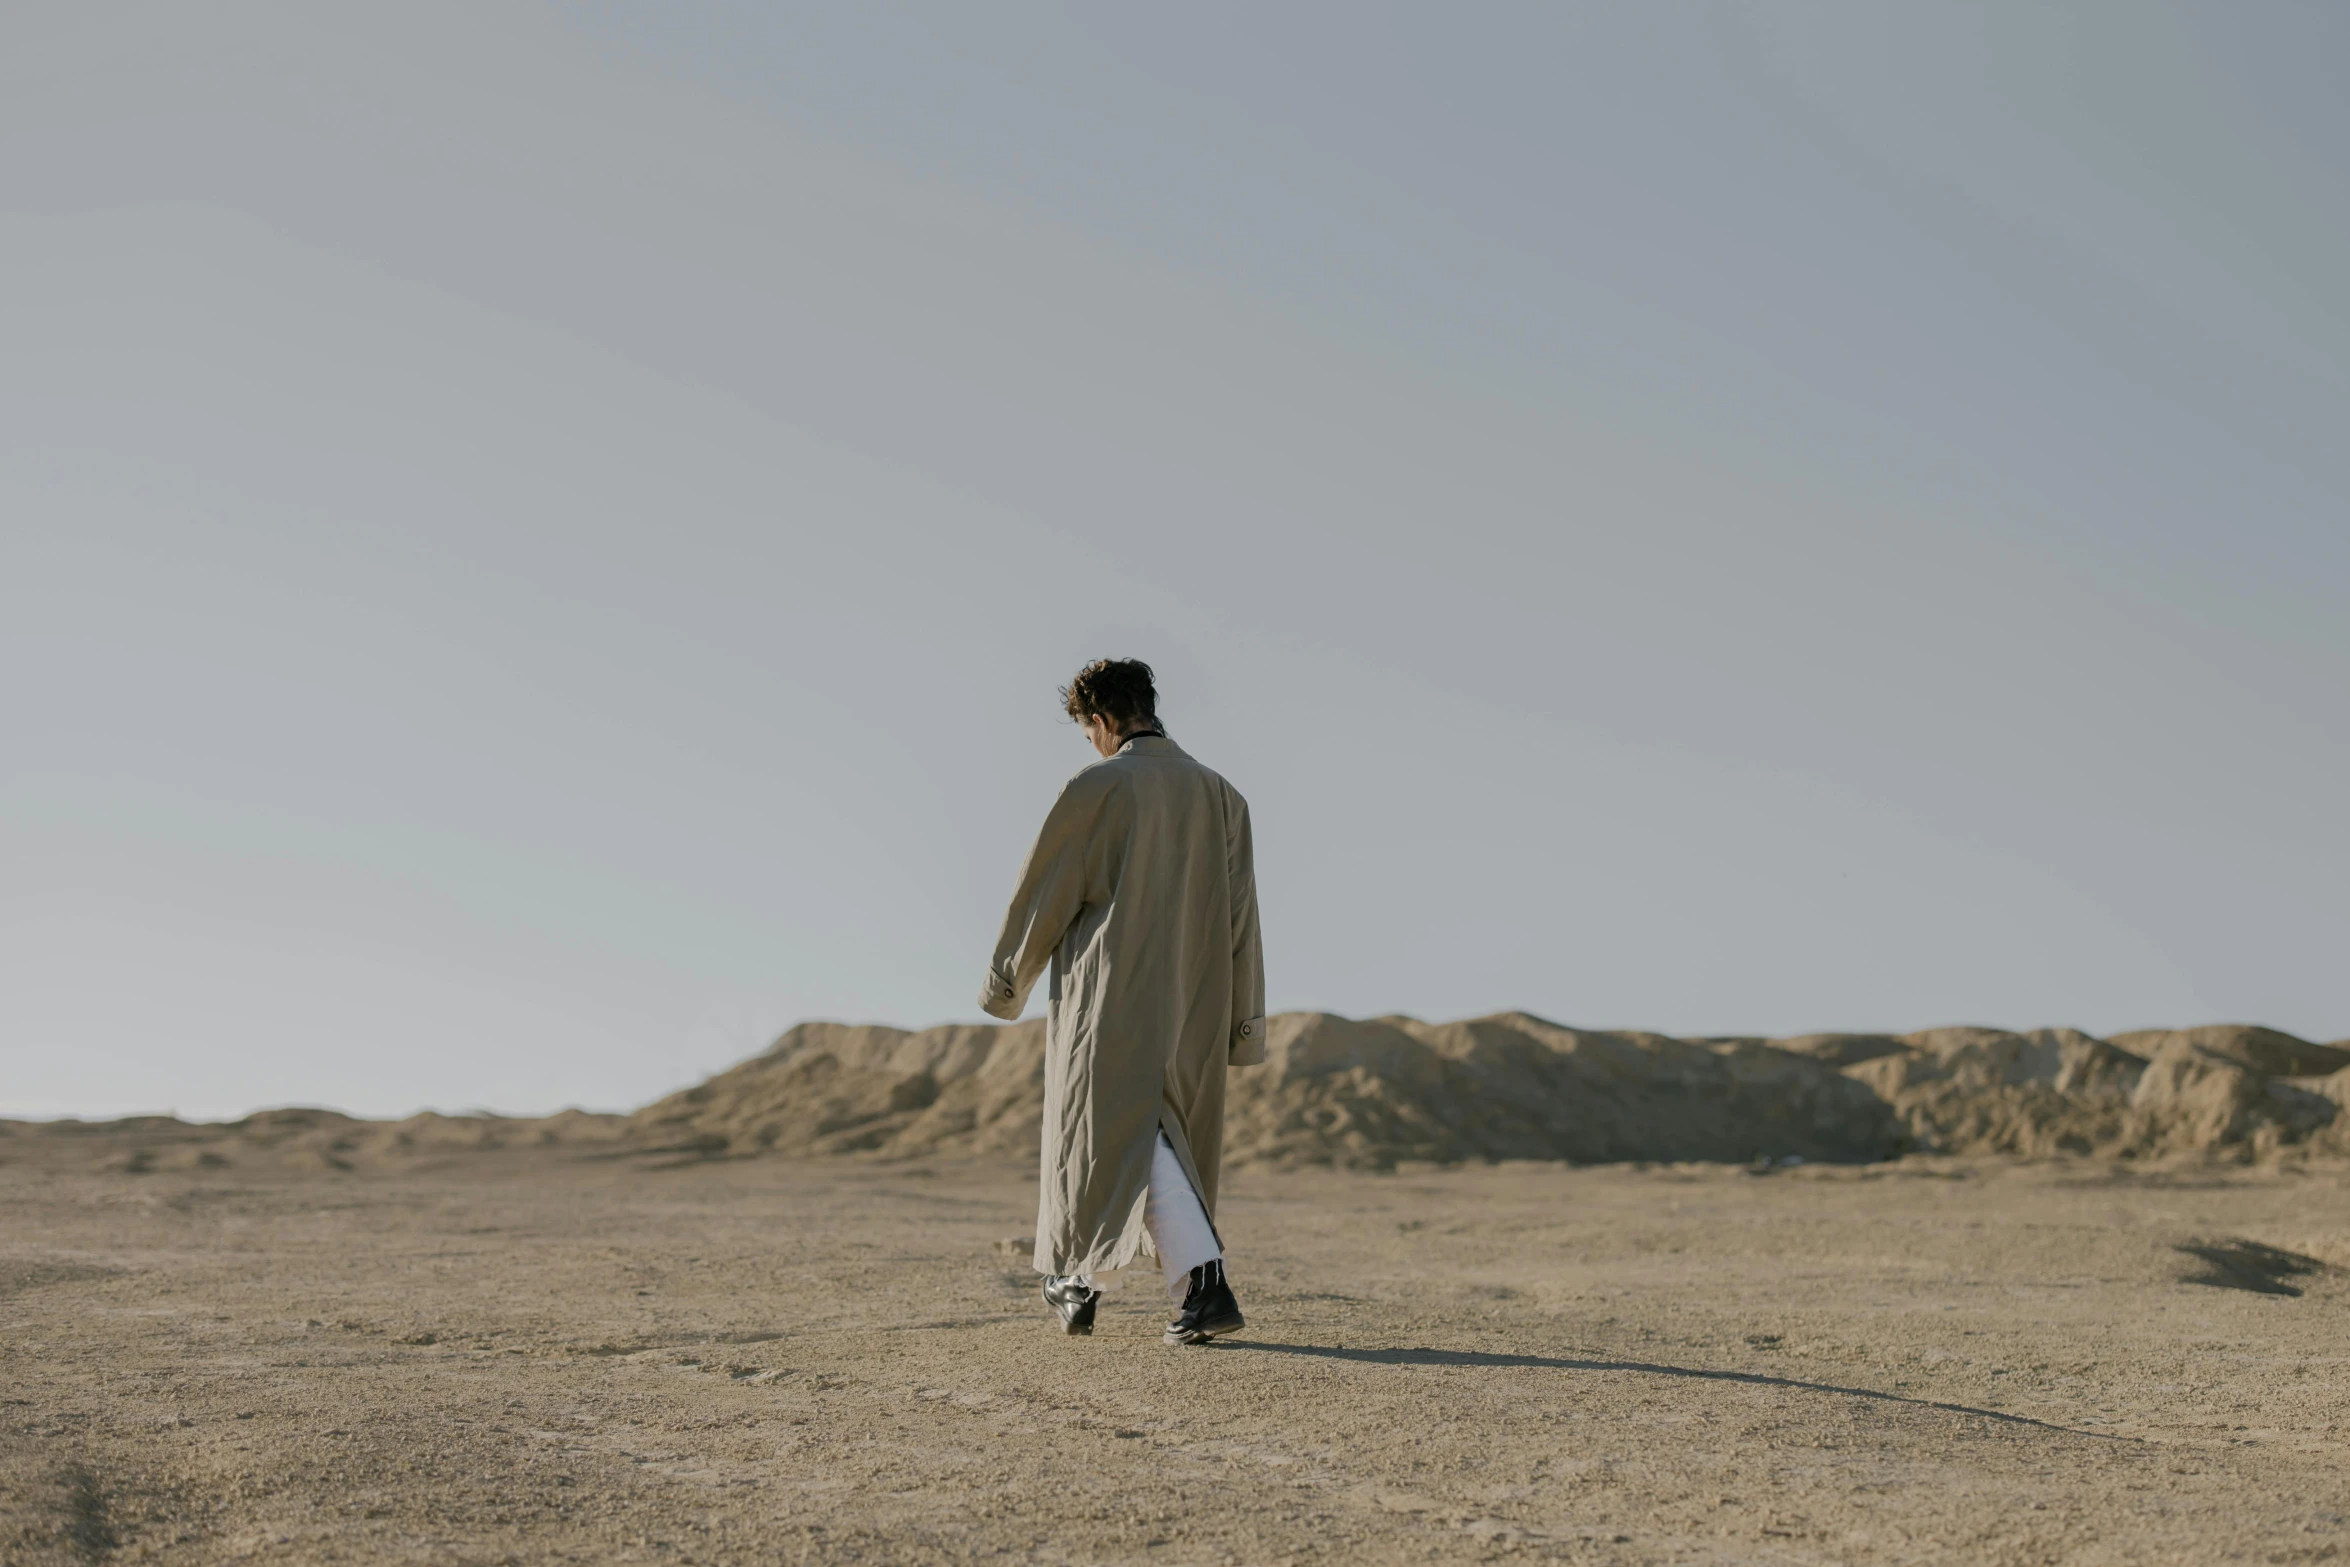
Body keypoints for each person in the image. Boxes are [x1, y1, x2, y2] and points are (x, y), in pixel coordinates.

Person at [980, 658, 1266, 1346]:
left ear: (1102, 721)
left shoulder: (1099, 785)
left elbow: (1045, 893)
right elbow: (1242, 921)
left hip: (1110, 996)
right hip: (1196, 998)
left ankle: (1204, 1284)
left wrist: (1006, 981)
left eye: (1088, 732)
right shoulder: (1223, 796)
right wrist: (1244, 1023)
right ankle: (1080, 1280)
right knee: (1140, 1137)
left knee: (1123, 1133)